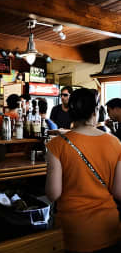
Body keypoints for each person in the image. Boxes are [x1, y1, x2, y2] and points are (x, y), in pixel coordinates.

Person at [45, 88, 121, 253]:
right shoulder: (115, 143)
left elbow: (53, 194)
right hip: (109, 228)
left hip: (74, 231)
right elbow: (118, 192)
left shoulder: (56, 145)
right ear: (95, 112)